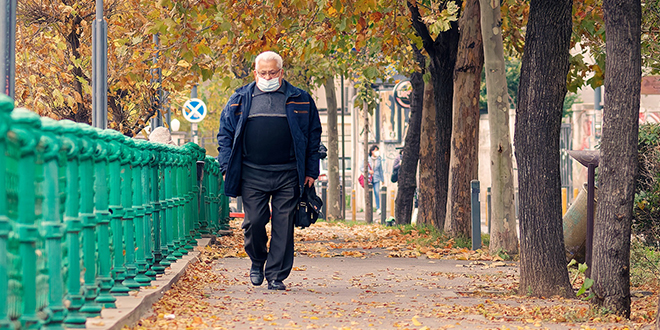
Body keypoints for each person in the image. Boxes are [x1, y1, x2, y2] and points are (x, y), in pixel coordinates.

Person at [216, 51, 322, 290]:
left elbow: (313, 136)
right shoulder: (239, 99)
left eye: (272, 72)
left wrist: (311, 171)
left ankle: (276, 276)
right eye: (263, 73)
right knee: (253, 222)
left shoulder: (301, 99)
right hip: (252, 173)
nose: (267, 76)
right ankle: (257, 260)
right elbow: (225, 135)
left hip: (288, 173)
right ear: (255, 73)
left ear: (281, 72)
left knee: (283, 224)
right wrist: (226, 167)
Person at [361, 145, 384, 214]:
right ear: (372, 151)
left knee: (377, 192)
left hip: (376, 178)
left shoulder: (379, 159)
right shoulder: (367, 159)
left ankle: (378, 208)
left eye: (377, 150)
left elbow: (380, 170)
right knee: (368, 193)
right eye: (375, 150)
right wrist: (368, 171)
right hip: (368, 178)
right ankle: (368, 208)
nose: (376, 152)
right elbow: (361, 168)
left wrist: (382, 180)